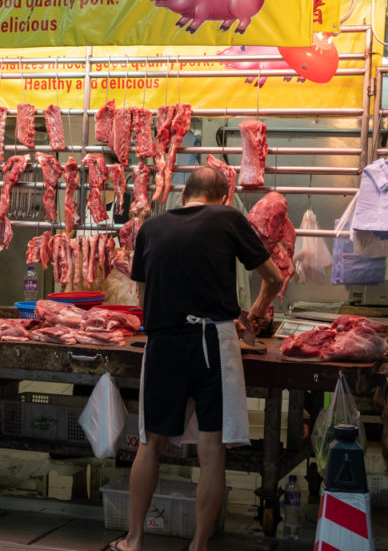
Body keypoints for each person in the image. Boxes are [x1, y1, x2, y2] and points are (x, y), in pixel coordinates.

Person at [115, 166, 283, 551]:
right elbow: (273, 278)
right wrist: (254, 313)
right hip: (212, 341)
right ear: (224, 196)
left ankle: (134, 539)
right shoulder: (228, 218)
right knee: (211, 449)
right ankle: (198, 545)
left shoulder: (151, 228)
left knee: (150, 442)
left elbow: (140, 295)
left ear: (182, 195)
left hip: (162, 344)